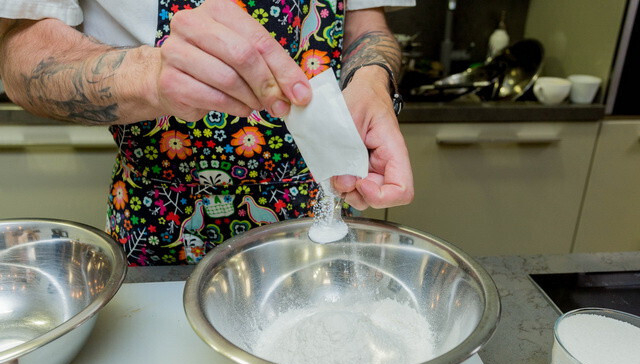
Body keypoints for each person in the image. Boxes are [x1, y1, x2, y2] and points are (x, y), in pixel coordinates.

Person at [0, 0, 415, 266]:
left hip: (320, 211)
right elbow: (22, 55)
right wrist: (149, 75)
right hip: (156, 225)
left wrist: (372, 77)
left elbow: (366, 26)